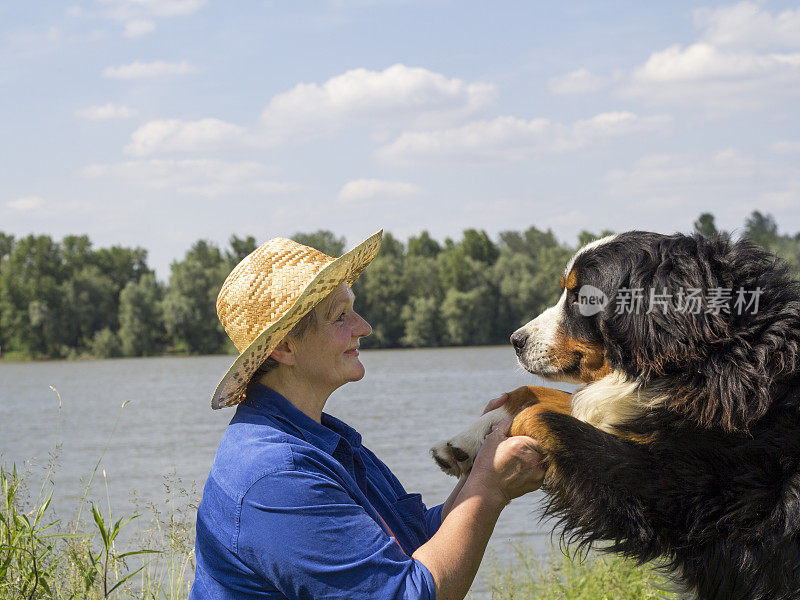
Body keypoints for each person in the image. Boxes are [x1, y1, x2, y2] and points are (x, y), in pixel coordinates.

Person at [190, 230, 545, 600]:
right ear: (284, 347)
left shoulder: (321, 439)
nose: (364, 327)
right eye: (341, 316)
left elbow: (415, 540)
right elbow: (406, 592)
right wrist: (489, 487)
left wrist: (482, 462)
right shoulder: (278, 476)